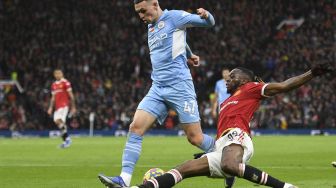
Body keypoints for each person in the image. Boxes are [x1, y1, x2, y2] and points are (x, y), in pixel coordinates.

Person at [127, 63, 332, 188]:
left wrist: (311, 73)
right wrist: (214, 149)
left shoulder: (252, 88)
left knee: (229, 165)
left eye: (233, 76)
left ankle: (285, 187)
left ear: (245, 80)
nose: (228, 79)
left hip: (239, 138)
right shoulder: (226, 102)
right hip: (223, 145)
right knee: (182, 169)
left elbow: (285, 85)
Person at [98, 0, 216, 187]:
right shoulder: (151, 26)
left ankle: (224, 156)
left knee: (195, 138)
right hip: (158, 87)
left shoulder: (176, 17)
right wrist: (189, 54)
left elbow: (209, 23)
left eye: (144, 11)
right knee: (135, 128)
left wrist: (206, 14)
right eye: (138, 13)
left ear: (155, 4)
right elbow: (177, 40)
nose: (142, 17)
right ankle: (124, 180)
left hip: (180, 86)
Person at [47, 69, 76, 148]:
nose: (58, 75)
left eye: (59, 73)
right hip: (57, 106)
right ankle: (66, 140)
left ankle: (67, 139)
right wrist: (50, 108)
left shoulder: (66, 82)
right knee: (59, 122)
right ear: (54, 75)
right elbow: (53, 98)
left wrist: (73, 107)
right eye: (56, 74)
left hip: (64, 105)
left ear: (62, 74)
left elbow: (71, 95)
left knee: (59, 121)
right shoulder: (54, 85)